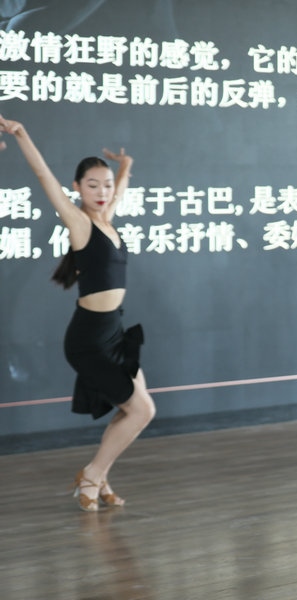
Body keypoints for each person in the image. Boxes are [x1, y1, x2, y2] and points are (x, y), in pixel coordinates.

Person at [0, 115, 156, 511]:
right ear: (77, 188)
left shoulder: (107, 219)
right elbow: (44, 177)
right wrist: (21, 134)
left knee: (133, 410)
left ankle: (98, 478)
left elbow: (120, 189)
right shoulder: (79, 223)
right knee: (141, 409)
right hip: (89, 340)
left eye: (106, 185)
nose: (102, 192)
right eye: (92, 185)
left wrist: (126, 166)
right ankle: (90, 475)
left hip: (114, 330)